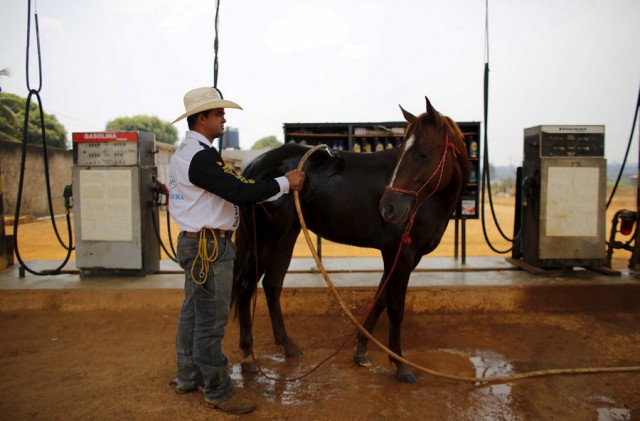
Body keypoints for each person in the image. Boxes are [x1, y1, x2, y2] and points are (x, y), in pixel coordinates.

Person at [167, 86, 304, 414]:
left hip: (199, 243)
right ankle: (217, 390)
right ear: (202, 120)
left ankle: (189, 375)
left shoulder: (187, 154)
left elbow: (230, 189)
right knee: (211, 321)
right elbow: (238, 190)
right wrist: (285, 183)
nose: (223, 119)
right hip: (209, 247)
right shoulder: (200, 157)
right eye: (218, 114)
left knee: (193, 311)